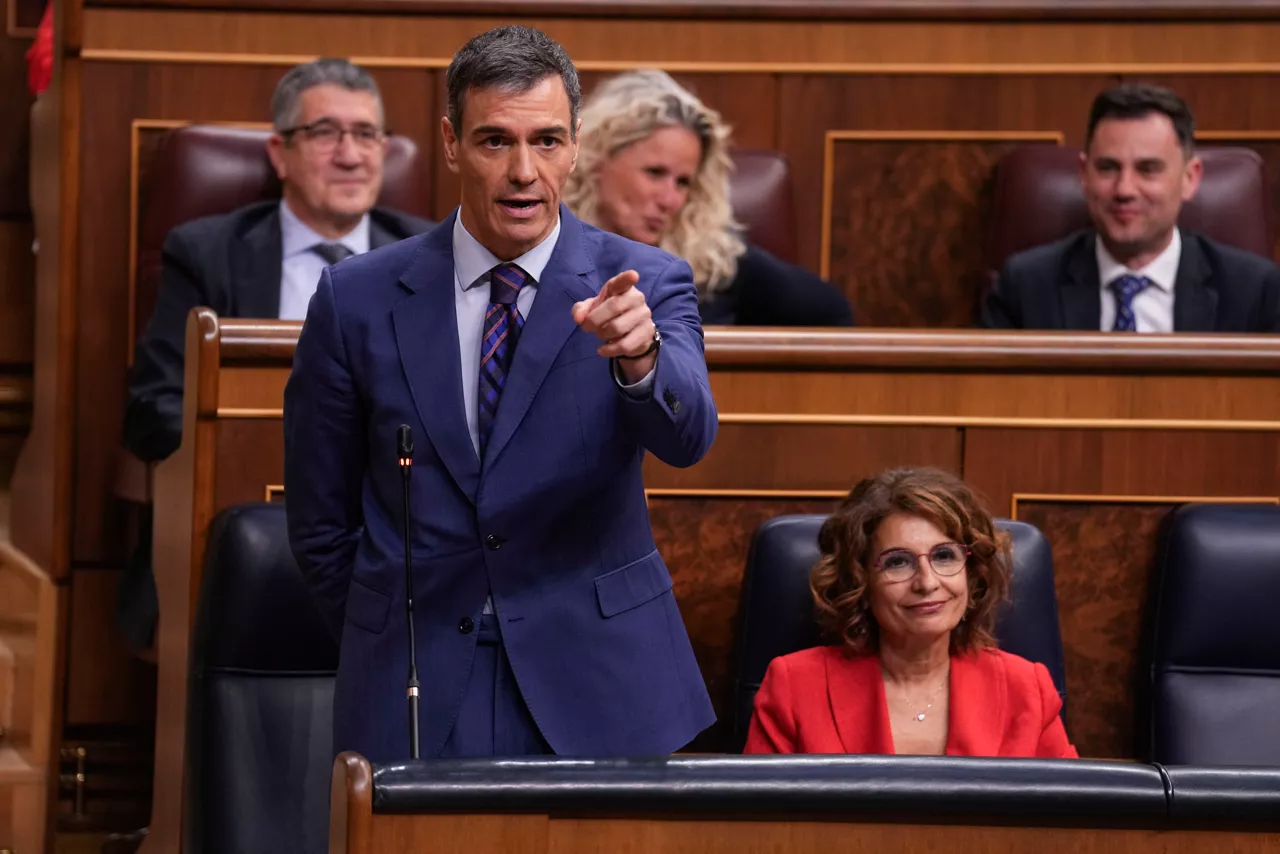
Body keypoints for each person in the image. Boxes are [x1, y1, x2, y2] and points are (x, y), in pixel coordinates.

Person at [283, 26, 717, 762]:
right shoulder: (355, 298)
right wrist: (392, 626)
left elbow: (689, 437)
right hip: (420, 677)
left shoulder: (645, 280)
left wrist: (640, 357)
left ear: (575, 146)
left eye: (546, 141)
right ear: (451, 144)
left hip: (601, 677)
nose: (523, 170)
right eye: (495, 142)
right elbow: (321, 523)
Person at [116, 58, 433, 654]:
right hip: (239, 527)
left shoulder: (429, 257)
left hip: (395, 534)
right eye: (325, 133)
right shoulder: (208, 253)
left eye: (367, 135)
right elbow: (153, 408)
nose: (351, 154)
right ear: (279, 152)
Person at [744, 467, 1077, 758]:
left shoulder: (1027, 689)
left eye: (945, 556)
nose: (927, 582)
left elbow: (1070, 820)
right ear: (861, 580)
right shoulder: (795, 686)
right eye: (898, 562)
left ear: (972, 572)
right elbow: (759, 824)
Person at [562, 69, 853, 327]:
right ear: (596, 159)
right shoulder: (544, 240)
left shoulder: (713, 265)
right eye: (655, 172)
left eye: (683, 182)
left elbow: (833, 311)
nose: (671, 200)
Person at [982, 83, 1280, 333]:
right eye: (1108, 168)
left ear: (1190, 179)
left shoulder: (1255, 291)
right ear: (1084, 176)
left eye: (1148, 169)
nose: (1124, 189)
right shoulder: (1024, 287)